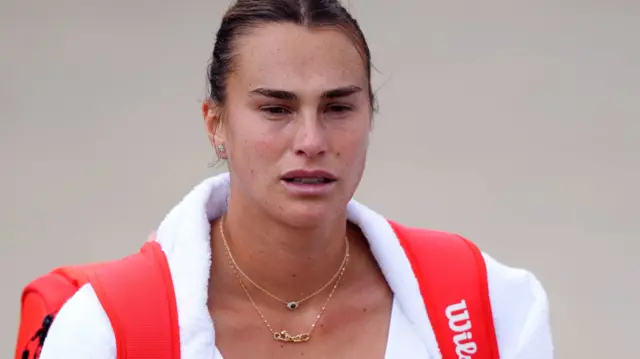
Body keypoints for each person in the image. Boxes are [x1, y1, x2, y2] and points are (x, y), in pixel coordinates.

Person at [39, 0, 553, 358]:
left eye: (338, 107)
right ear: (215, 123)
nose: (311, 139)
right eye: (276, 108)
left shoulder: (488, 304)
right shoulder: (105, 331)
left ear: (369, 116)